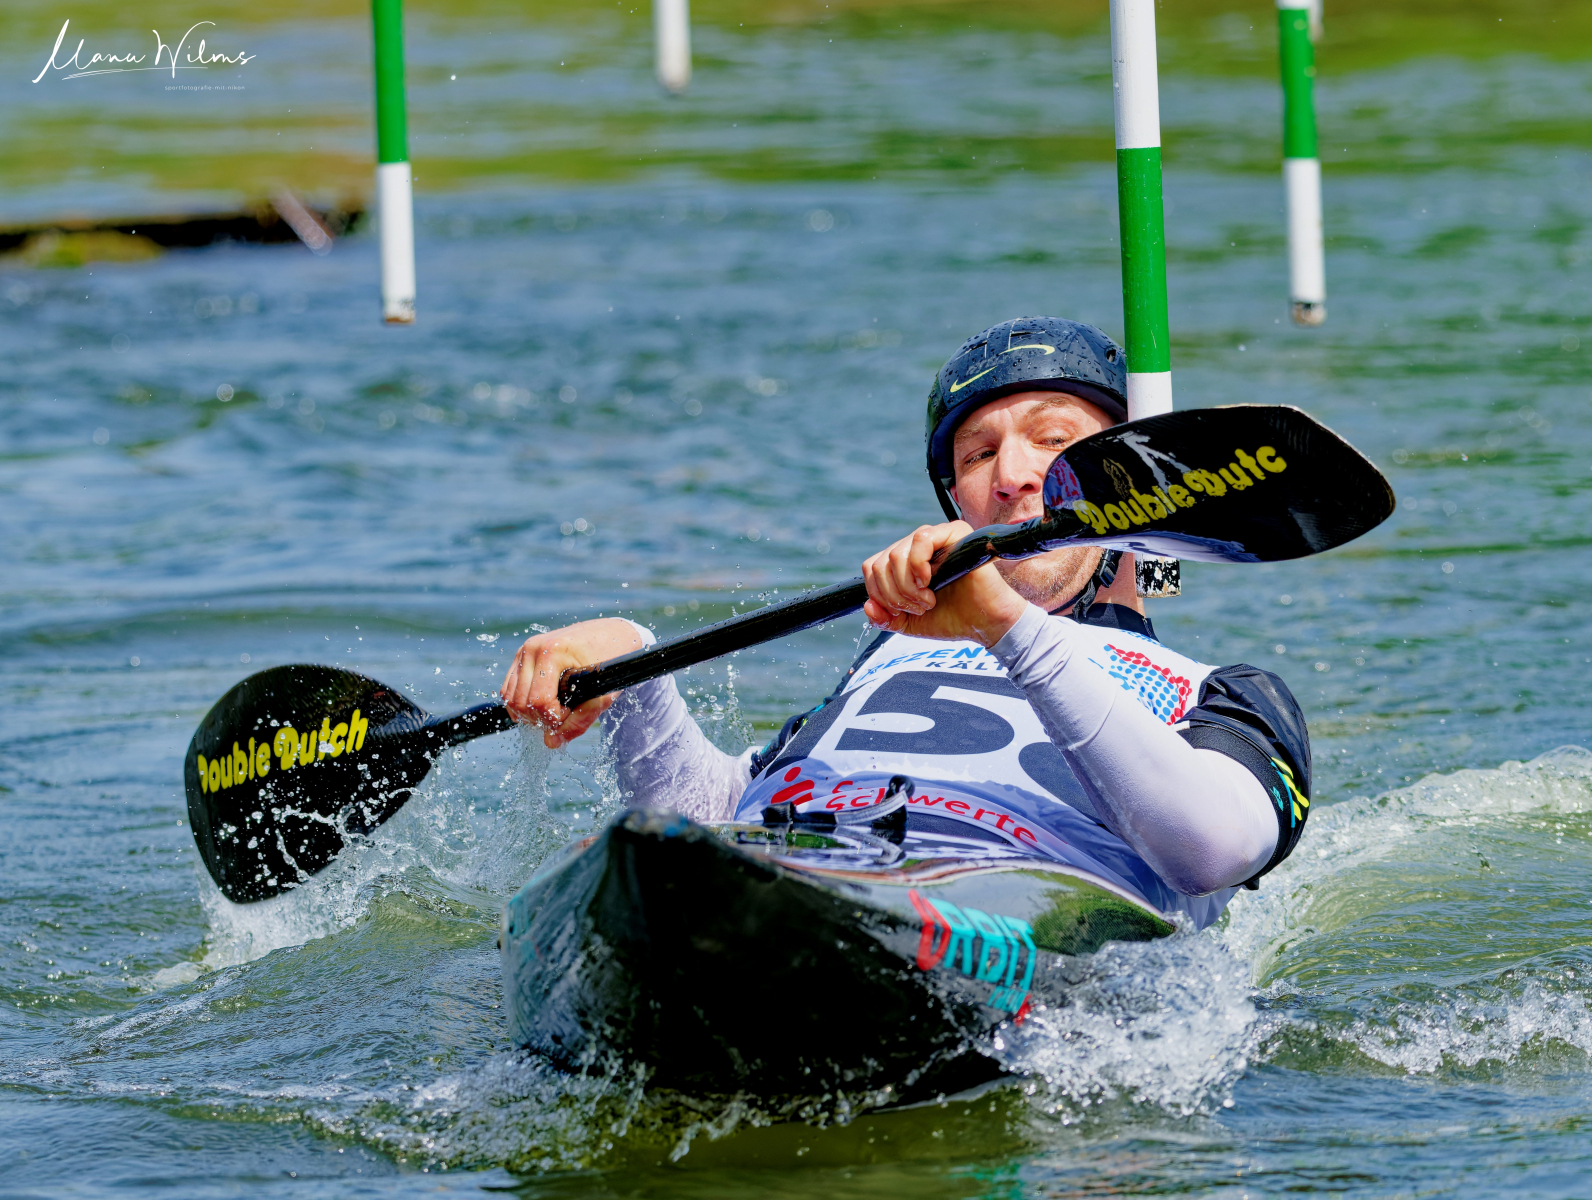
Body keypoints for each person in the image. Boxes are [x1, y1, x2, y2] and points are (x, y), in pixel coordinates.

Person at [500, 316, 1312, 928]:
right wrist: (631, 667)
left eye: (1055, 441)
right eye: (976, 455)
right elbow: (719, 818)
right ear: (954, 499)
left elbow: (1211, 852)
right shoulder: (887, 659)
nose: (1013, 476)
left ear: (1127, 487)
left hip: (1006, 914)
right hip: (804, 879)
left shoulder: (1220, 694)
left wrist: (1006, 627)